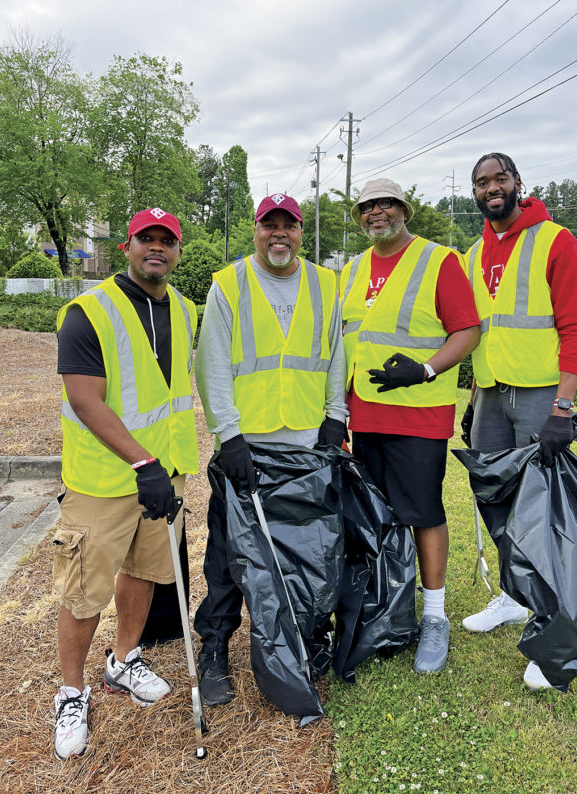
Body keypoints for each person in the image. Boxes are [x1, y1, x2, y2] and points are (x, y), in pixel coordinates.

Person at [53, 208, 199, 760]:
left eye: (167, 241)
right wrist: (143, 464)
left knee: (144, 573)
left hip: (165, 477)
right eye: (146, 239)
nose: (156, 248)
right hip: (104, 479)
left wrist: (163, 469)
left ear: (178, 251)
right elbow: (84, 399)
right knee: (84, 589)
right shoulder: (86, 313)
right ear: (127, 248)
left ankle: (124, 661)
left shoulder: (184, 310)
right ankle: (71, 692)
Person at [194, 193, 348, 706]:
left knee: (307, 550)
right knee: (228, 553)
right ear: (255, 230)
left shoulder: (326, 284)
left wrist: (335, 417)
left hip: (306, 442)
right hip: (249, 444)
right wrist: (228, 433)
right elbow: (212, 364)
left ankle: (307, 640)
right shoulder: (229, 284)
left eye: (289, 226)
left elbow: (335, 355)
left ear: (301, 232)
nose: (279, 234)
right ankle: (214, 649)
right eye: (269, 226)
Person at [460, 153, 577, 690]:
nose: (492, 188)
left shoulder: (555, 241)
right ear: (474, 192)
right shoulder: (473, 254)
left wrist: (563, 407)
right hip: (491, 393)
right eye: (482, 182)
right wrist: (473, 399)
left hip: (541, 397)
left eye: (500, 179)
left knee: (545, 511)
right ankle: (517, 598)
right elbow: (480, 331)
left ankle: (556, 630)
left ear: (518, 184)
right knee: (497, 499)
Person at [340, 177, 480, 674]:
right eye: (367, 207)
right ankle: (387, 611)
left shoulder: (438, 260)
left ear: (405, 211)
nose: (377, 212)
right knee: (375, 516)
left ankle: (436, 617)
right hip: (366, 415)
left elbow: (468, 331)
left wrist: (424, 369)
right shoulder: (353, 269)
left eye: (387, 204)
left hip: (420, 414)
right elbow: (346, 344)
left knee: (422, 511)